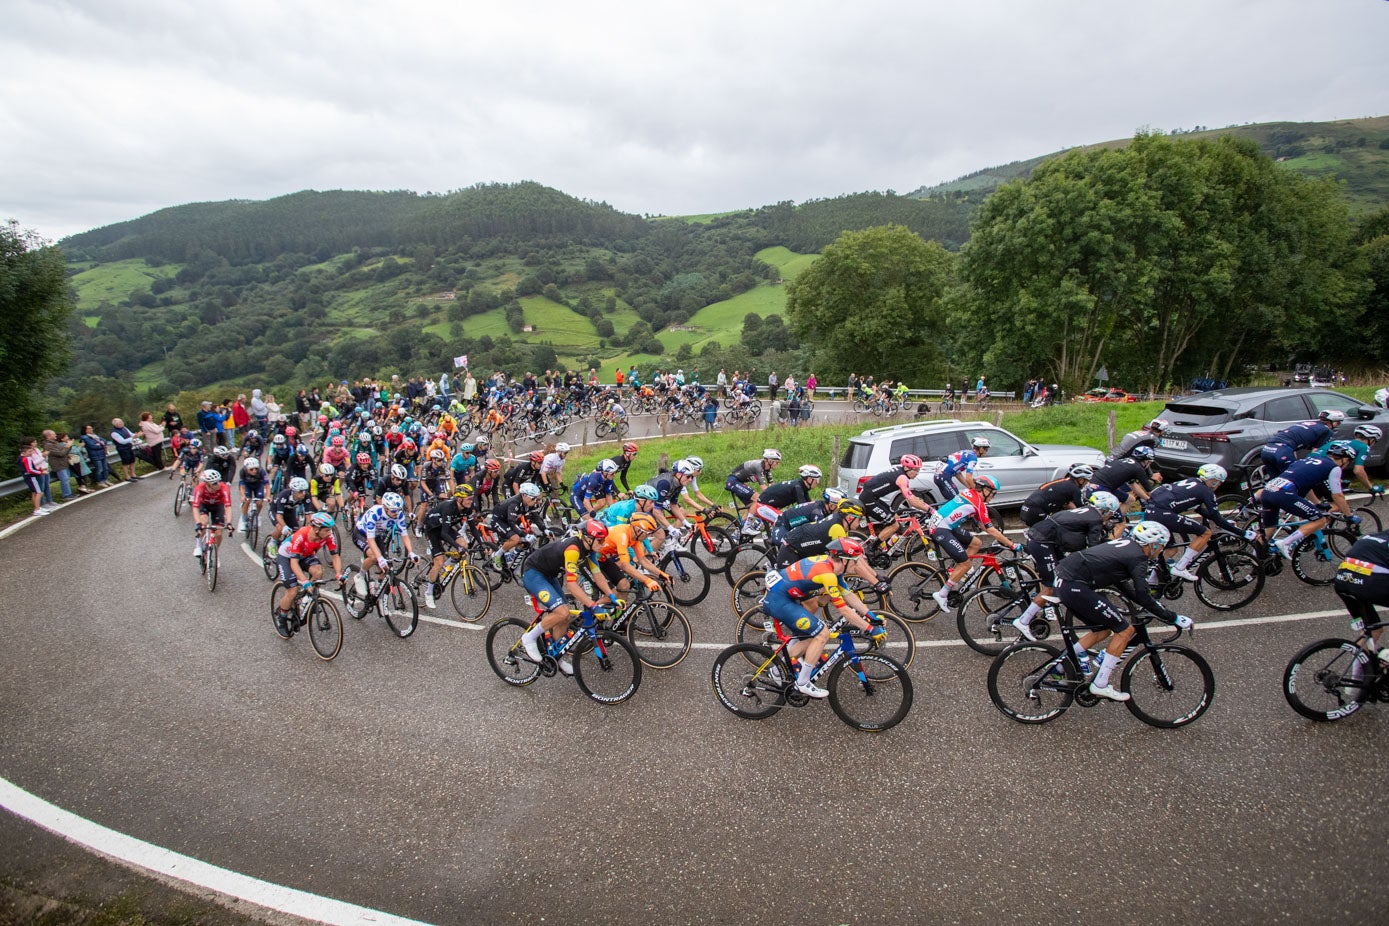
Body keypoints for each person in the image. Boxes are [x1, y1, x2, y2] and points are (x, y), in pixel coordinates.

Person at [1052, 522, 1191, 702]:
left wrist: (1149, 606)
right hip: (1073, 585)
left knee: (1102, 630)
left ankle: (1060, 667)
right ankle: (1100, 684)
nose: (1161, 551)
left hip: (1066, 581)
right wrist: (1172, 617)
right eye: (1161, 547)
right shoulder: (1138, 557)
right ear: (1152, 545)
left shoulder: (1128, 547)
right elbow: (1143, 594)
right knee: (1125, 631)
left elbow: (1123, 584)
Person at [761, 538, 885, 699]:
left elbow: (849, 595)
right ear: (844, 560)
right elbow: (844, 610)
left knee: (809, 638)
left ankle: (777, 670)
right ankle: (803, 683)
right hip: (780, 600)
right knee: (822, 634)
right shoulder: (828, 575)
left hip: (787, 595)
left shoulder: (833, 568)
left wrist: (871, 617)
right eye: (854, 562)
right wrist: (869, 628)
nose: (856, 566)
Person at [1014, 491, 1124, 638]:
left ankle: (1044, 603)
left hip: (1048, 540)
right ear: (1105, 510)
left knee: (1065, 574)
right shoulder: (1096, 519)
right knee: (1053, 586)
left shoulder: (1088, 511)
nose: (1110, 517)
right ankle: (1024, 620)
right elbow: (1094, 549)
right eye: (1111, 513)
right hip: (1042, 542)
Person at [517, 519, 615, 675]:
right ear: (588, 539)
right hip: (534, 573)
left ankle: (557, 658)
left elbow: (597, 574)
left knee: (565, 617)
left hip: (549, 575)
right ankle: (529, 637)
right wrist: (592, 605)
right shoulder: (573, 549)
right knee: (562, 611)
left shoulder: (590, 550)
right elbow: (572, 585)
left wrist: (611, 595)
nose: (603, 544)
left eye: (604, 540)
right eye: (601, 540)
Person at [1143, 463, 1256, 581]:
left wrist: (1223, 521)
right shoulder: (1206, 491)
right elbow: (1218, 521)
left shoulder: (1193, 482)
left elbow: (1200, 510)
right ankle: (1180, 568)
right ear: (1213, 481)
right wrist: (1245, 534)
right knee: (1206, 533)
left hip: (1152, 511)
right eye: (1219, 482)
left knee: (1171, 550)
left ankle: (1152, 582)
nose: (1219, 485)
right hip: (1163, 513)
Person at [928, 474, 1021, 610]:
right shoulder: (978, 503)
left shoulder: (970, 493)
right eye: (993, 493)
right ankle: (942, 594)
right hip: (941, 528)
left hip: (945, 524)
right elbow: (991, 530)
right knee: (965, 564)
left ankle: (955, 572)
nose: (993, 496)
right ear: (984, 489)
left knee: (976, 543)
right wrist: (1011, 544)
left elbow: (983, 525)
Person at [1256, 443, 1358, 560]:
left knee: (1268, 531)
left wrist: (1317, 503)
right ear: (1344, 459)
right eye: (1349, 461)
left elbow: (1308, 486)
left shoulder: (1311, 459)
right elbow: (1337, 495)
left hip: (1269, 490)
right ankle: (1285, 543)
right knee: (1319, 520)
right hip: (1284, 493)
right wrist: (1349, 516)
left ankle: (1254, 560)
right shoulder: (1334, 468)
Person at [272, 511, 344, 638]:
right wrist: (304, 581)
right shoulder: (301, 536)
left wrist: (338, 574)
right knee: (293, 590)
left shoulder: (328, 536)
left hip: (306, 554)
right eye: (327, 530)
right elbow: (294, 563)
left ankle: (306, 600)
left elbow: (335, 556)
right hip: (287, 557)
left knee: (318, 572)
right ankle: (282, 618)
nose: (330, 533)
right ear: (316, 529)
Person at [858, 454, 935, 550]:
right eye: (916, 470)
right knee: (894, 525)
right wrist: (931, 510)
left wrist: (919, 502)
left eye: (918, 470)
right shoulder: (902, 478)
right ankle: (871, 549)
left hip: (873, 497)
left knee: (896, 518)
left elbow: (910, 496)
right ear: (907, 468)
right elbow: (912, 500)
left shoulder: (900, 472)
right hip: (868, 500)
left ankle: (888, 546)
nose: (917, 473)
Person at [420, 484, 478, 609]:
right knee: (439, 561)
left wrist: (483, 544)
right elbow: (444, 534)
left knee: (464, 544)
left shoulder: (467, 507)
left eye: (471, 498)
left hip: (445, 527)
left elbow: (473, 529)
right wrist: (458, 547)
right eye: (468, 499)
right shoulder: (449, 508)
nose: (471, 501)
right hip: (433, 529)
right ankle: (429, 592)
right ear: (459, 499)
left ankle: (447, 565)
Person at [1259, 409, 1343, 479]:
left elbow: (1293, 447)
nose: (1338, 425)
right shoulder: (1326, 431)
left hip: (1267, 449)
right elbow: (1316, 452)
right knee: (1293, 479)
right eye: (1338, 423)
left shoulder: (1308, 424)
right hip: (1282, 450)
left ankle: (1256, 498)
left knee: (1275, 482)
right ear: (1333, 422)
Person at [489, 482, 545, 569]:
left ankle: (513, 561)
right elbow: (511, 522)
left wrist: (545, 530)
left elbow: (536, 517)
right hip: (499, 520)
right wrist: (525, 535)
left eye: (536, 499)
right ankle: (496, 555)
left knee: (525, 543)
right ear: (525, 495)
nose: (536, 501)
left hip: (509, 520)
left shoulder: (529, 503)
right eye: (534, 498)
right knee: (516, 539)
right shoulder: (514, 503)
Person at [726, 449, 781, 536]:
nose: (778, 464)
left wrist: (781, 494)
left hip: (739, 482)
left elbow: (772, 485)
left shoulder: (767, 469)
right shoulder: (759, 466)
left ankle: (737, 534)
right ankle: (746, 527)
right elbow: (763, 488)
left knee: (752, 506)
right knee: (758, 499)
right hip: (733, 481)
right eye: (776, 462)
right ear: (770, 461)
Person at [1018, 463, 1093, 527]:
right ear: (1081, 480)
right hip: (1035, 510)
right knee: (1060, 529)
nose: (1086, 483)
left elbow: (1067, 504)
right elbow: (1081, 509)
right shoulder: (1075, 489)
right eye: (1086, 481)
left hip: (1028, 508)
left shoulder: (1064, 482)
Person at [190, 469, 232, 560]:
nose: (218, 485)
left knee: (219, 532)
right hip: (204, 504)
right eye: (214, 483)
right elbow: (195, 508)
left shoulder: (224, 488)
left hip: (218, 506)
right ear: (207, 484)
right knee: (203, 522)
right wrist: (198, 524)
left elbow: (228, 507)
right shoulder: (200, 488)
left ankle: (216, 552)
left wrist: (229, 523)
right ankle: (198, 545)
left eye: (218, 482)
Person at [934, 437, 991, 502]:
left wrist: (969, 487)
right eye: (986, 449)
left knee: (953, 500)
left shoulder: (967, 452)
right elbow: (969, 478)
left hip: (939, 476)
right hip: (943, 477)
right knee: (957, 501)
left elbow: (958, 474)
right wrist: (976, 491)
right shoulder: (973, 458)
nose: (986, 452)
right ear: (981, 449)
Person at [18, 437, 50, 517]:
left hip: (28, 476)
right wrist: (41, 472)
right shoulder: (27, 458)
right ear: (24, 452)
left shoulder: (20, 458)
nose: (31, 453)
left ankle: (38, 507)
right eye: (29, 451)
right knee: (39, 492)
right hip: (32, 477)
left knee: (34, 493)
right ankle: (37, 509)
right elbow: (30, 470)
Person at [42, 429, 78, 500]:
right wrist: (67, 446)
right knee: (64, 479)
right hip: (58, 464)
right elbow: (60, 453)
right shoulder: (48, 445)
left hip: (63, 463)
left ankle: (69, 493)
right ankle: (66, 495)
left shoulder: (55, 443)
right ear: (48, 436)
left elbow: (64, 451)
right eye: (54, 434)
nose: (55, 435)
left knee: (66, 479)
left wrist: (69, 446)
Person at [237, 455, 269, 533]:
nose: (254, 471)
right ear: (247, 468)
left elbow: (267, 485)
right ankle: (244, 520)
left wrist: (268, 496)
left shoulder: (261, 471)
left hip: (258, 485)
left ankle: (257, 515)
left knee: (259, 502)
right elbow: (242, 486)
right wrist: (243, 496)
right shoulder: (242, 471)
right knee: (247, 501)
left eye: (256, 469)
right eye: (251, 469)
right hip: (247, 485)